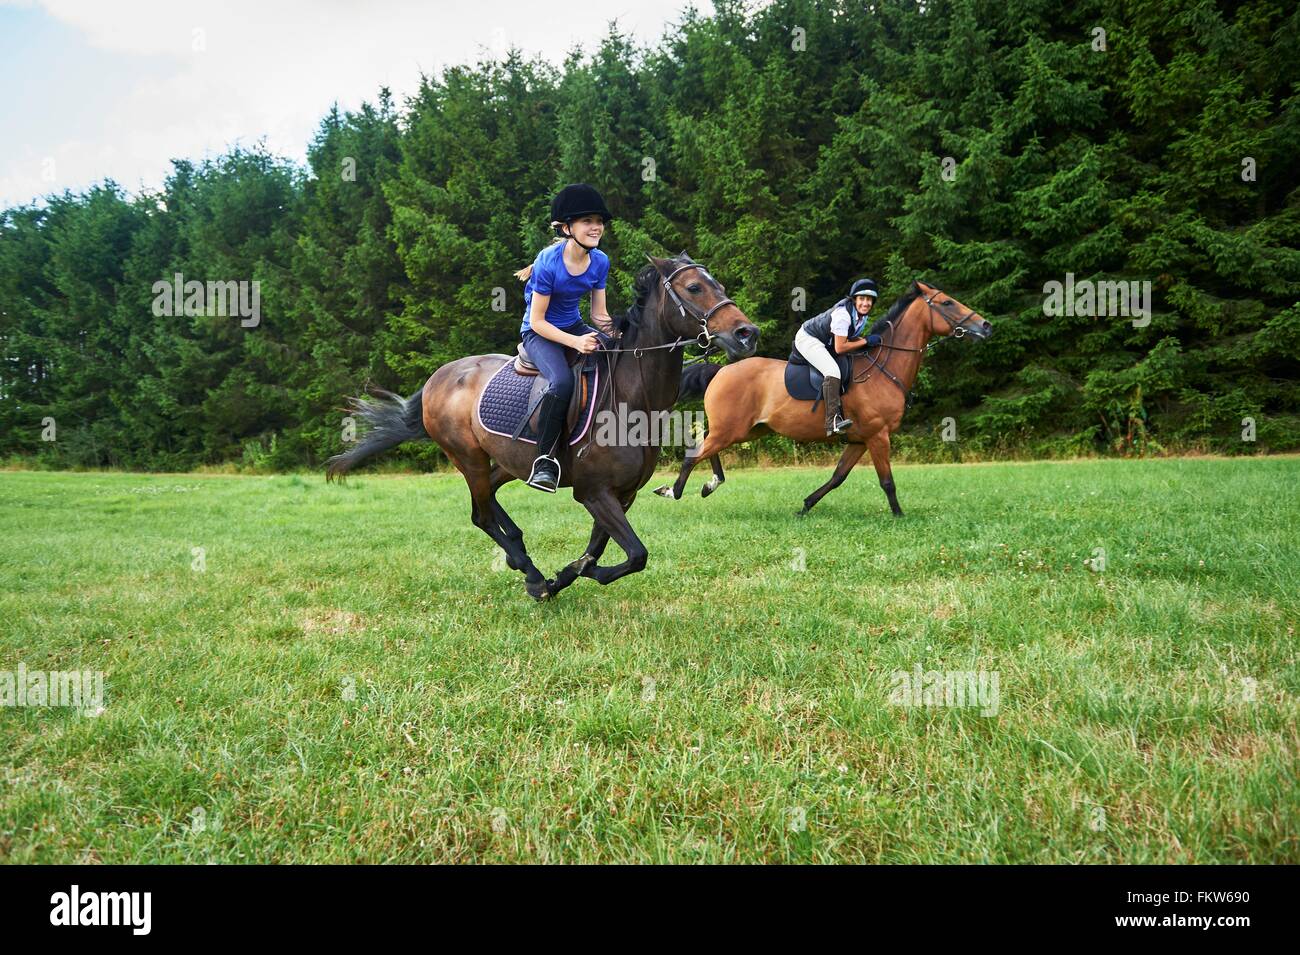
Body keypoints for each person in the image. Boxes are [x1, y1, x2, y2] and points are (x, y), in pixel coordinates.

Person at [513, 183, 616, 492]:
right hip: (538, 333)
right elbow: (538, 321)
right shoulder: (548, 262)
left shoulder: (600, 261)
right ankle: (544, 460)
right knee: (561, 382)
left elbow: (599, 316)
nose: (596, 227)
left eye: (599, 221)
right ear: (568, 227)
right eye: (588, 221)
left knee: (617, 356)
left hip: (573, 325)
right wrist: (576, 342)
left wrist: (619, 336)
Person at [793, 277, 879, 435]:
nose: (865, 303)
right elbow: (840, 348)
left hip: (827, 341)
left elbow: (848, 337)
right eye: (862, 299)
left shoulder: (861, 316)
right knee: (833, 371)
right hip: (809, 338)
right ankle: (832, 421)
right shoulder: (843, 315)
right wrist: (865, 341)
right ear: (854, 299)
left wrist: (864, 342)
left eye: (869, 300)